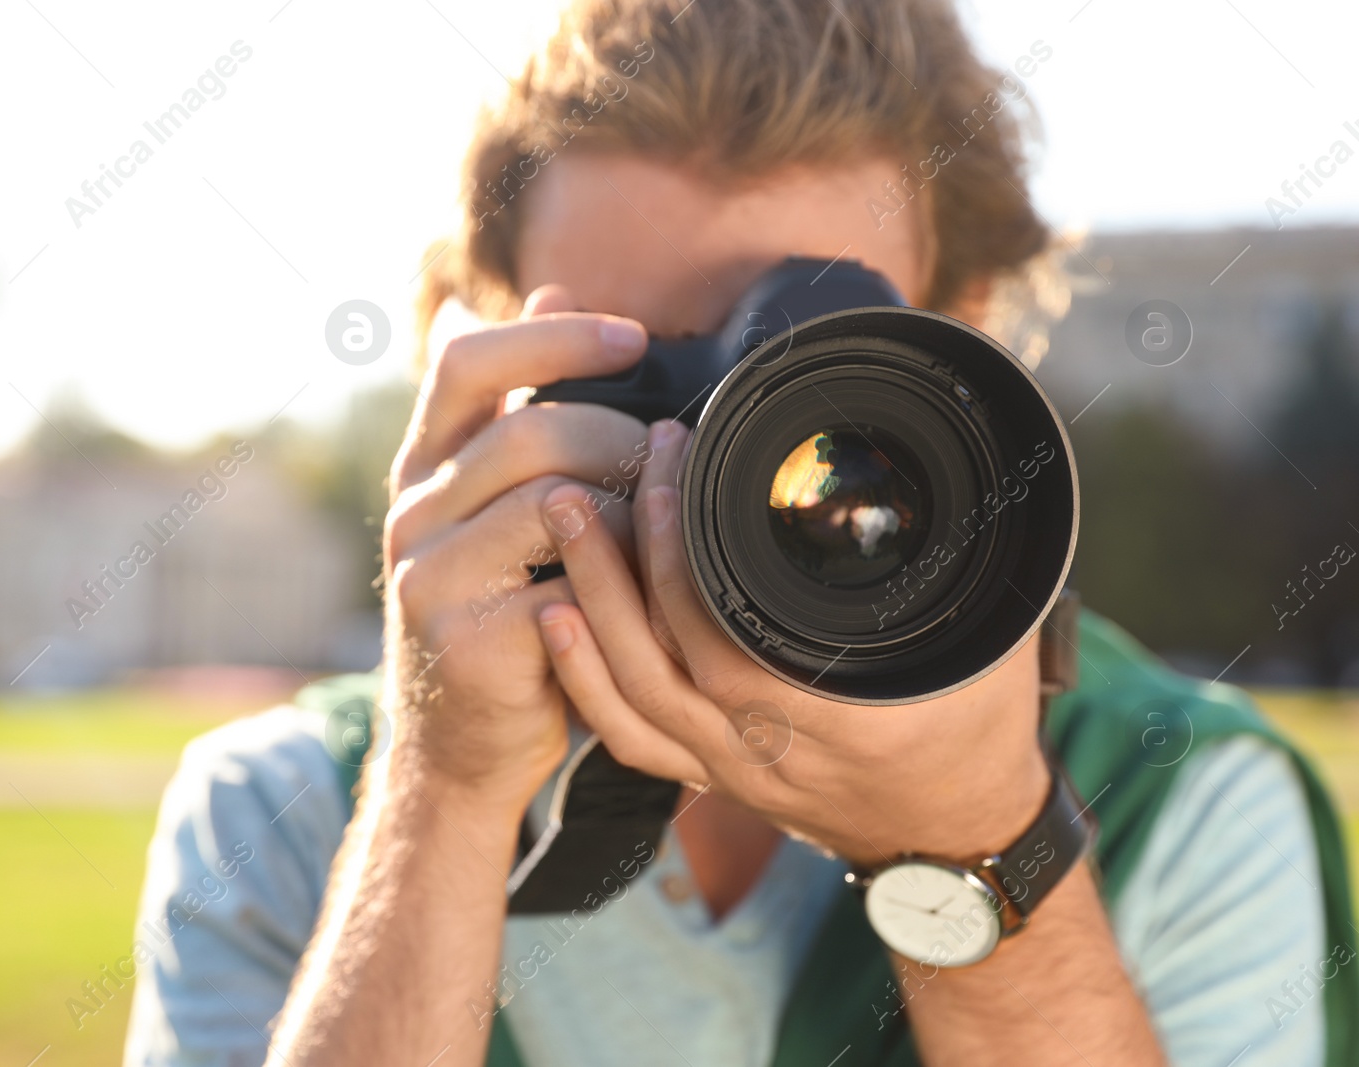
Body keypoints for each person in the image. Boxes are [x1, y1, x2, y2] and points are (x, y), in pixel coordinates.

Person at [122, 1, 1357, 1064]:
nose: (710, 468)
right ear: (474, 351)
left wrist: (982, 839)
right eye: (637, 372)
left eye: (809, 375)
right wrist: (439, 794)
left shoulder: (1178, 795)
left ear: (963, 350)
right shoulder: (283, 811)